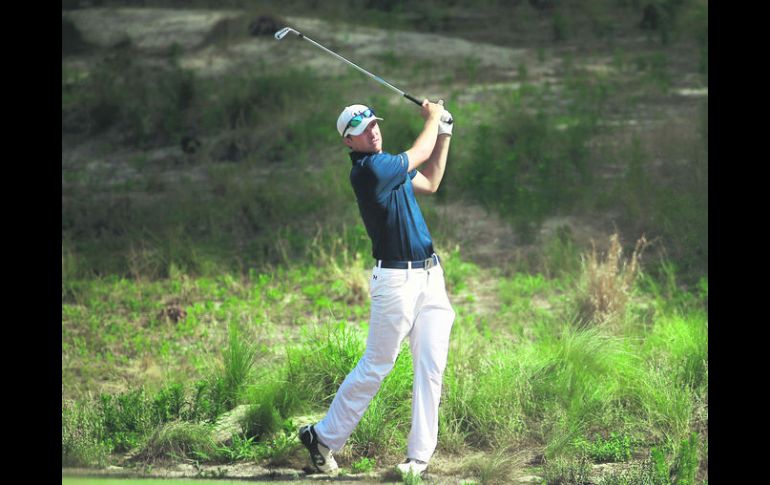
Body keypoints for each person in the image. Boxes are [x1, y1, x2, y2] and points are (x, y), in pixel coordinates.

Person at [299, 100, 456, 479]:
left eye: (373, 125)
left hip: (431, 277)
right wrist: (434, 118)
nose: (372, 132)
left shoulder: (388, 166)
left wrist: (445, 132)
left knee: (431, 367)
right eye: (361, 131)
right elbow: (420, 152)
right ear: (348, 142)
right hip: (396, 282)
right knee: (377, 364)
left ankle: (417, 459)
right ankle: (322, 438)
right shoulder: (370, 170)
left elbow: (431, 182)